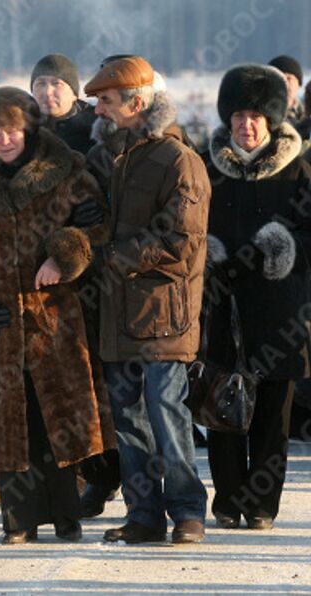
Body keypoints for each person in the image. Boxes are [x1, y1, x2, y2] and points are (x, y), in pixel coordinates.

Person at [0, 86, 115, 544]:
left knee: (56, 418)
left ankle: (67, 516)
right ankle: (17, 521)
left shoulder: (67, 168)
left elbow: (97, 226)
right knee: (10, 422)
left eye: (12, 130)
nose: (4, 140)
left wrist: (66, 255)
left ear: (29, 128)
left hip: (54, 313)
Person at [83, 56, 211, 544]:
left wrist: (108, 257)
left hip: (164, 314)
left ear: (137, 103)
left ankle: (187, 511)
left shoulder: (179, 160)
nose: (98, 110)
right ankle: (144, 515)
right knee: (129, 421)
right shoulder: (110, 158)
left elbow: (180, 239)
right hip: (116, 313)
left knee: (167, 412)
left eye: (106, 100)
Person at [202, 64, 311, 530]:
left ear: (272, 120)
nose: (246, 125)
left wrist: (274, 248)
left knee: (272, 413)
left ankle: (262, 504)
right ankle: (227, 499)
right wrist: (211, 253)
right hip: (221, 303)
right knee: (221, 405)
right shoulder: (208, 167)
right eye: (239, 115)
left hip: (279, 308)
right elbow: (186, 223)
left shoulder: (298, 170)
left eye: (256, 116)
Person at [30, 52, 120, 519]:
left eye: (57, 84)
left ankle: (103, 475)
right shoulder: (21, 133)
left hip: (89, 273)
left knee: (93, 379)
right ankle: (57, 477)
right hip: (36, 277)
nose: (49, 93)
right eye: (41, 84)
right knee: (49, 380)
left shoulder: (93, 129)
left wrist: (78, 244)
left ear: (73, 89)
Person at [268, 55, 305, 130]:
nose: (285, 83)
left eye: (289, 78)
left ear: (298, 84)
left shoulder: (306, 115)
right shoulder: (259, 116)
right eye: (279, 78)